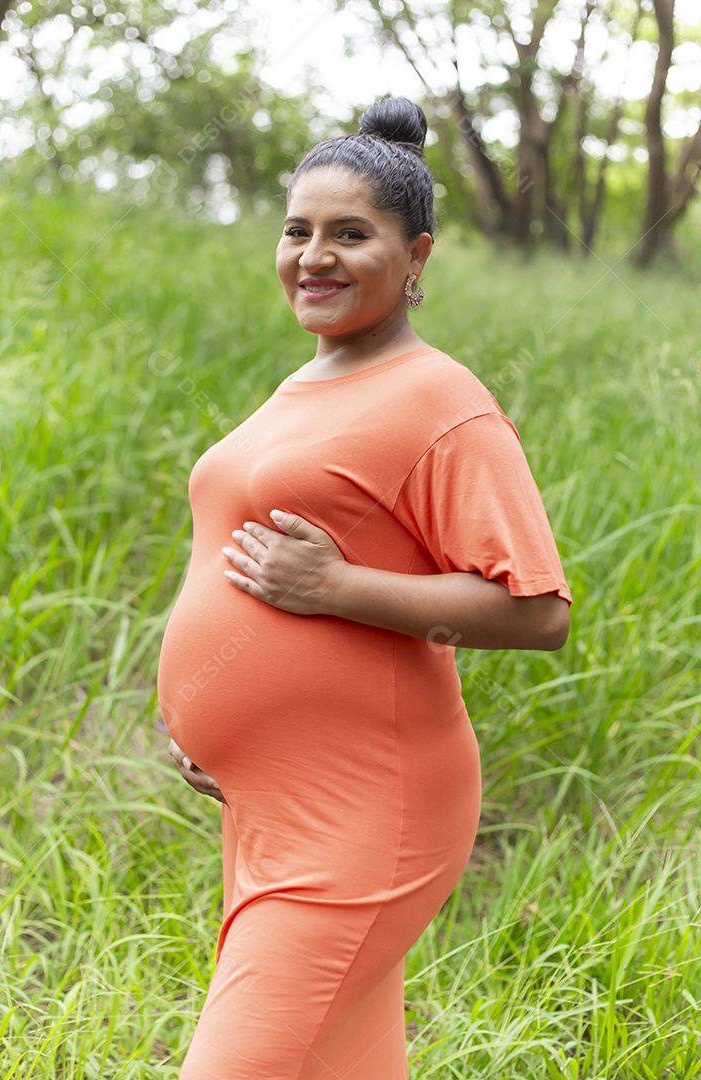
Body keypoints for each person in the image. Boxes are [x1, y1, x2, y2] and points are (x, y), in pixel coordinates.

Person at [157, 96, 571, 1080]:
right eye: (298, 230)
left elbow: (539, 611)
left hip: (367, 811)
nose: (315, 255)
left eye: (352, 234)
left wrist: (342, 587)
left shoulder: (440, 400)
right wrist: (201, 719)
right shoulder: (299, 388)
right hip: (269, 806)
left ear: (416, 256)